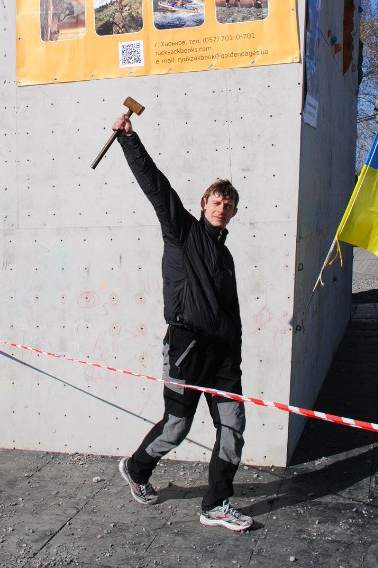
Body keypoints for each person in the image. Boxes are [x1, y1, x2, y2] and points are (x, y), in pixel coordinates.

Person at [112, 114, 252, 533]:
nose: (221, 208)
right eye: (216, 202)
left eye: (228, 205)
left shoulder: (225, 257)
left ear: (233, 212)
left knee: (233, 424)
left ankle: (217, 503)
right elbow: (156, 186)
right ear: (204, 202)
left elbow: (232, 313)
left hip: (223, 355)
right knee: (175, 427)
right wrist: (128, 140)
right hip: (186, 346)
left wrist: (236, 356)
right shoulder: (181, 232)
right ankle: (137, 469)